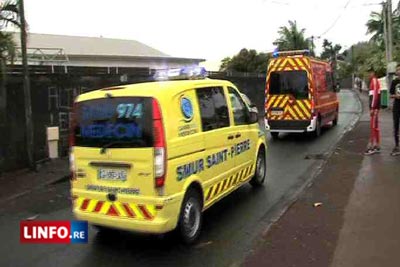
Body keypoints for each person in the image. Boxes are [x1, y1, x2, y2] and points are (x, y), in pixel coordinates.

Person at [365, 68, 381, 155]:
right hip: (375, 108)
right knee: (375, 126)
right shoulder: (374, 81)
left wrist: (372, 108)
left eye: (370, 73)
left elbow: (375, 95)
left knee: (373, 126)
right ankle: (377, 145)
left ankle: (372, 146)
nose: (368, 75)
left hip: (374, 108)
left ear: (373, 73)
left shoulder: (374, 81)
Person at [390, 64, 400, 156]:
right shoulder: (394, 82)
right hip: (397, 106)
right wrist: (396, 96)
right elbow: (390, 94)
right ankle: (397, 145)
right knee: (396, 126)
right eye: (397, 70)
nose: (399, 71)